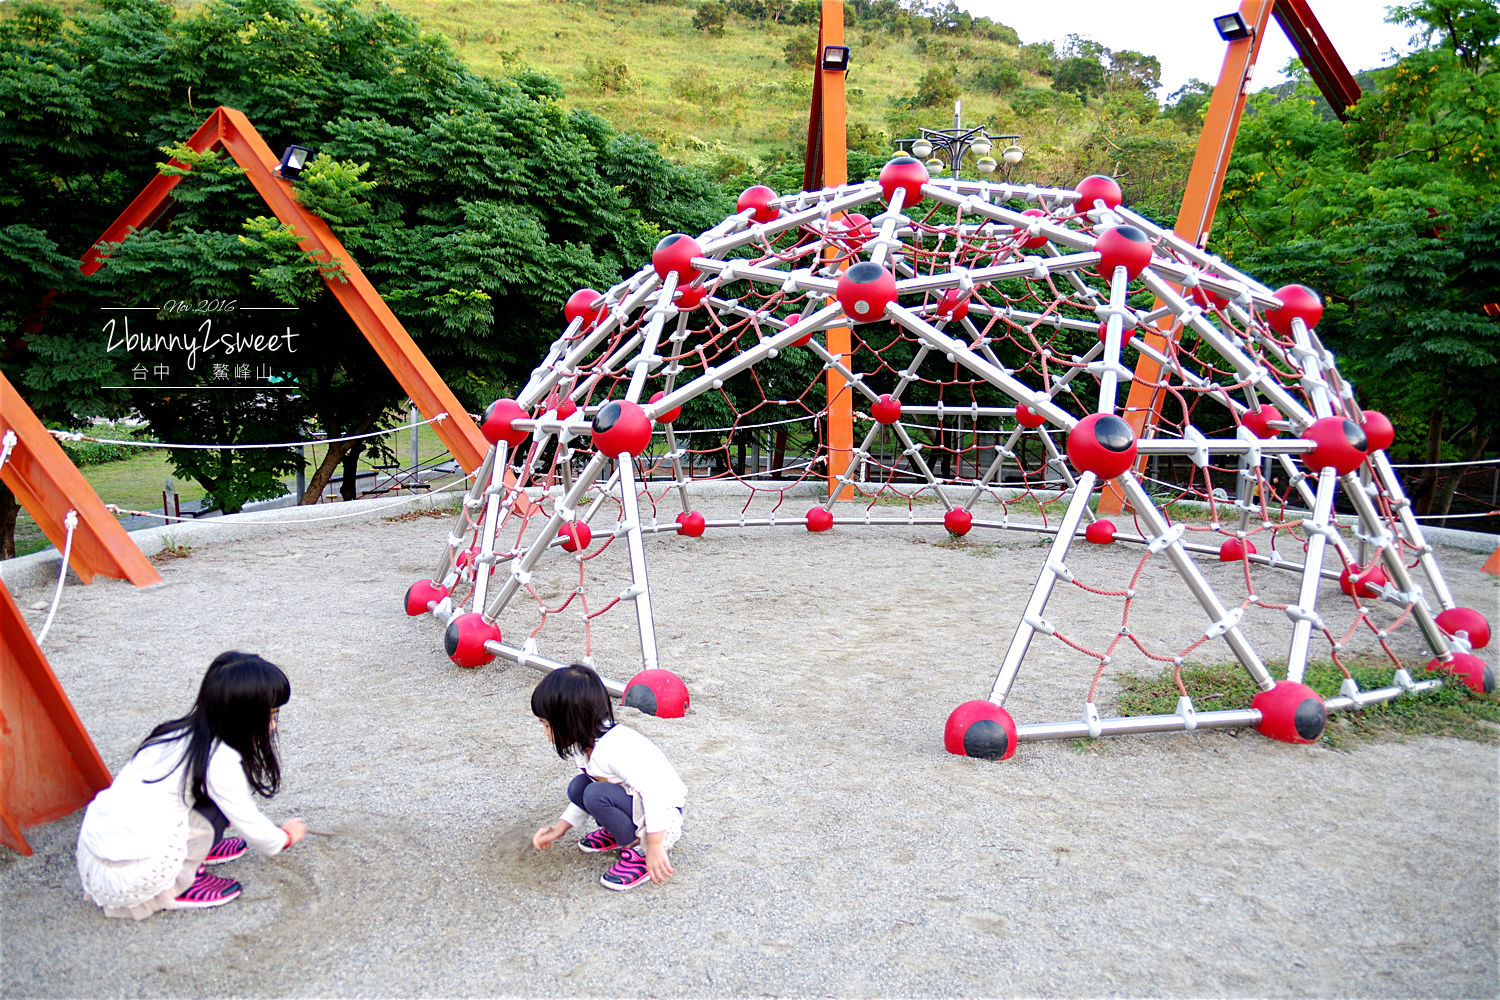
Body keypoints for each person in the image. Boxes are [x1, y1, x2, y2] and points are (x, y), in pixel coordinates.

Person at [75, 652, 308, 918]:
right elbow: (250, 823)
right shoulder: (219, 759)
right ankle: (182, 882)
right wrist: (286, 837)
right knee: (220, 806)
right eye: (270, 715)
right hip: (133, 869)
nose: (273, 724)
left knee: (206, 802)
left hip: (102, 852)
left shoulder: (176, 734)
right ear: (243, 717)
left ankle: (198, 850)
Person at [530, 663, 686, 890]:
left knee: (596, 793)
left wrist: (653, 845)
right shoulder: (584, 746)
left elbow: (655, 793)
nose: (545, 732)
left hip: (664, 814)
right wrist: (560, 828)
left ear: (571, 721)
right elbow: (588, 788)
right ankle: (619, 832)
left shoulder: (614, 748)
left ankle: (638, 850)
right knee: (579, 787)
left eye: (547, 725)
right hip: (636, 802)